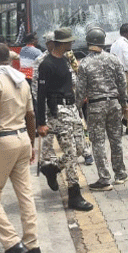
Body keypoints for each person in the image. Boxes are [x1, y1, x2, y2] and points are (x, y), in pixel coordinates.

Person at [0, 43, 41, 253]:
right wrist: (32, 144)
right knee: (25, 193)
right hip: (23, 137)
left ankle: (12, 242)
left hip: (3, 140)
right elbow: (31, 115)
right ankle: (32, 244)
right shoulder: (21, 79)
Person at [36, 27, 93, 211]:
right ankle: (74, 194)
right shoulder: (46, 64)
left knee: (80, 149)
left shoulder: (67, 60)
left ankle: (52, 168)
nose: (72, 43)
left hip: (72, 108)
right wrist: (41, 122)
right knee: (69, 152)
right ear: (59, 43)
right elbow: (40, 94)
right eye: (68, 41)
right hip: (58, 112)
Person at [76, 27, 128, 191]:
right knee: (116, 140)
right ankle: (120, 175)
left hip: (96, 106)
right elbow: (122, 83)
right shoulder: (114, 60)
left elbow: (80, 90)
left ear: (88, 43)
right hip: (114, 104)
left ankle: (104, 179)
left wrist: (76, 107)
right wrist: (124, 103)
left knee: (98, 142)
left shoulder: (84, 63)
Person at [32, 32, 94, 168]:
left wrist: (79, 95)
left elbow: (72, 78)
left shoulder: (65, 58)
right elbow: (38, 89)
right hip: (52, 106)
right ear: (49, 44)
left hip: (69, 103)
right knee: (49, 138)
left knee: (78, 132)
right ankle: (47, 163)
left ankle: (85, 153)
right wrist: (41, 112)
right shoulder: (42, 62)